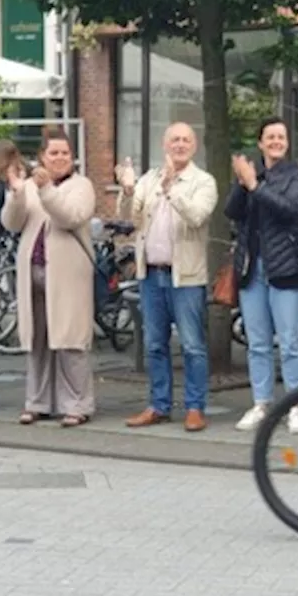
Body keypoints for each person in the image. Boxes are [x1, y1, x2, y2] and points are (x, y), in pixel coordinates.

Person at [115, 122, 219, 432]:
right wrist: (129, 190)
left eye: (186, 140)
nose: (180, 144)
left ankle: (195, 407)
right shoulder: (149, 179)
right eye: (174, 139)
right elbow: (127, 219)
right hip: (151, 275)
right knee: (155, 345)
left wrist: (173, 189)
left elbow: (197, 216)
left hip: (185, 277)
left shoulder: (203, 182)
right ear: (164, 144)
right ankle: (158, 405)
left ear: (195, 145)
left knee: (192, 346)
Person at [1, 132, 97, 427]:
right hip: (34, 272)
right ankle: (37, 401)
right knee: (38, 340)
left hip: (68, 274)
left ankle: (77, 403)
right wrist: (17, 194)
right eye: (53, 153)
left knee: (70, 339)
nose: (59, 158)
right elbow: (11, 223)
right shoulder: (28, 186)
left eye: (65, 153)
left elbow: (70, 217)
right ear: (42, 156)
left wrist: (45, 191)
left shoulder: (82, 186)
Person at [225, 117, 298, 434]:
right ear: (260, 143)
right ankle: (261, 402)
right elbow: (232, 212)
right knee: (257, 342)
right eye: (270, 137)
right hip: (252, 267)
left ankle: (295, 404)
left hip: (287, 268)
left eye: (281, 136)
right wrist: (241, 182)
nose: (276, 141)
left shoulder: (297, 175)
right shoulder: (251, 173)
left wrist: (254, 186)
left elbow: (290, 209)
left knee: (290, 341)